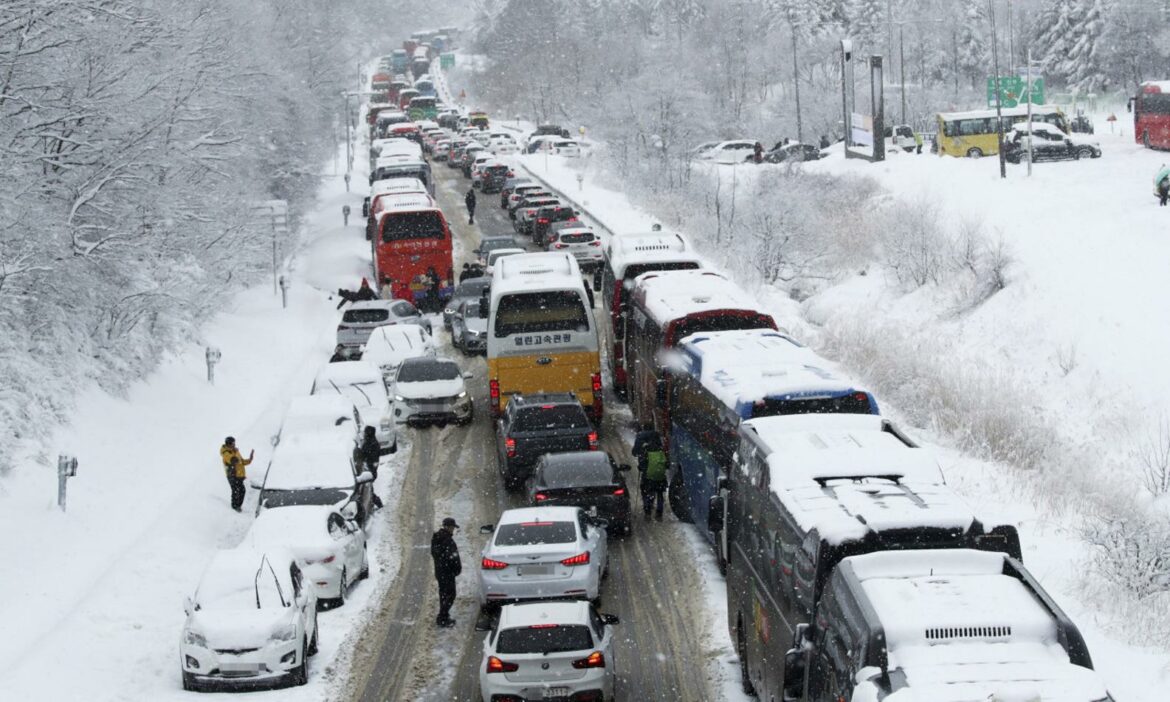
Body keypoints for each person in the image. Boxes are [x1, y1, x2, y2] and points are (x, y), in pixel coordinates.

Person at [430, 517, 461, 627]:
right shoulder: (448, 540)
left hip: (440, 572)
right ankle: (442, 618)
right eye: (452, 527)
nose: (453, 530)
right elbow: (453, 557)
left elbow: (435, 554)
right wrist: (456, 569)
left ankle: (444, 615)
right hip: (448, 573)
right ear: (448, 527)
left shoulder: (436, 538)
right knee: (450, 595)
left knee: (443, 594)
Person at [632, 426, 666, 520]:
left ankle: (648, 511)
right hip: (659, 473)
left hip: (648, 472)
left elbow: (635, 453)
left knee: (647, 490)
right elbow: (666, 460)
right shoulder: (657, 439)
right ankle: (659, 512)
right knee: (659, 492)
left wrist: (641, 467)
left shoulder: (641, 439)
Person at [219, 436, 253, 512]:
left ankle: (238, 507)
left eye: (234, 443)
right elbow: (232, 460)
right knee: (236, 491)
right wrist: (236, 456)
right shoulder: (226, 453)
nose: (234, 444)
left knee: (242, 491)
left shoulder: (235, 451)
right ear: (228, 444)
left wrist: (249, 460)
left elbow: (242, 461)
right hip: (232, 475)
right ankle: (234, 507)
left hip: (239, 475)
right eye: (233, 443)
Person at [358, 426, 386, 509]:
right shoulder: (370, 442)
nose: (364, 434)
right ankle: (375, 501)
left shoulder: (371, 444)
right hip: (368, 470)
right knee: (367, 489)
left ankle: (376, 502)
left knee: (368, 489)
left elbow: (372, 459)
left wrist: (369, 469)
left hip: (369, 471)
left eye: (365, 433)